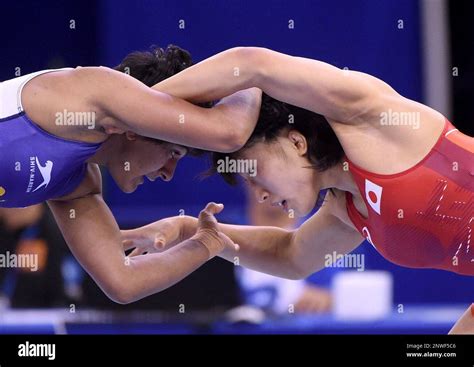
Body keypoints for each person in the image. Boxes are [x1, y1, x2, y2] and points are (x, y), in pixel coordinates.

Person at [123, 47, 473, 330]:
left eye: (254, 172)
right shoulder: (345, 209)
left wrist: (121, 109)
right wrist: (193, 232)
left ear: (296, 141)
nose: (259, 193)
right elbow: (289, 257)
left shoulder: (369, 118)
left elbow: (251, 65)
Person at [0, 45, 262, 304]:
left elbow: (123, 283)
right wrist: (259, 78)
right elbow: (230, 133)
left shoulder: (75, 183)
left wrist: (206, 243)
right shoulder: (94, 91)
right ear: (135, 127)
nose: (168, 174)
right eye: (173, 153)